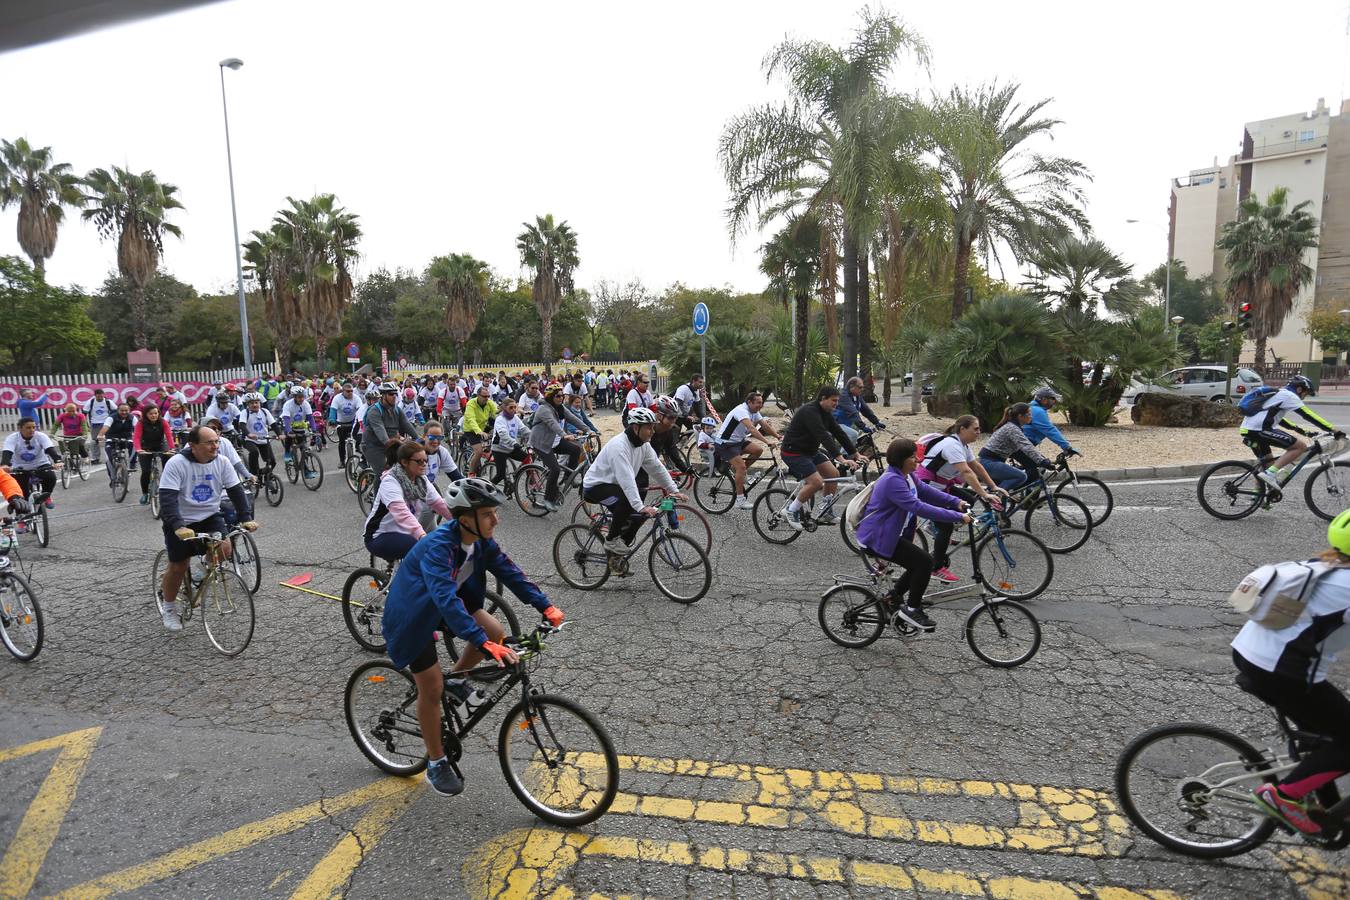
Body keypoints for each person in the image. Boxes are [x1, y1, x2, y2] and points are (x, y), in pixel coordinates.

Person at [380, 478, 563, 796]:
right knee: (432, 689)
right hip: (412, 616)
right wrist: (480, 642)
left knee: (494, 630)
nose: (497, 519)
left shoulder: (480, 541)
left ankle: (457, 677)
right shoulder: (438, 547)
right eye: (489, 513)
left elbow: (511, 572)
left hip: (441, 604)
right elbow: (445, 599)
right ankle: (436, 763)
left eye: (495, 512)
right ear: (467, 519)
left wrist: (546, 606)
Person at [1236, 509, 1350, 835]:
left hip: (1252, 653)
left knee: (1329, 734)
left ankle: (1324, 811)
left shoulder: (1328, 564)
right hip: (1281, 671)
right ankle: (1284, 797)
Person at [856, 438, 972, 631]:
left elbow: (926, 491)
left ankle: (893, 598)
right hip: (878, 538)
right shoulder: (892, 481)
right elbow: (919, 507)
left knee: (917, 564)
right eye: (912, 456)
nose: (917, 460)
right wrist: (957, 516)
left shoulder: (906, 475)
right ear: (901, 459)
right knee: (925, 562)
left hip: (890, 534)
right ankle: (912, 609)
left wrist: (955, 501)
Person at [157, 426, 258, 631]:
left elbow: (236, 491)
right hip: (180, 520)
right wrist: (177, 525)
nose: (215, 446)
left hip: (210, 516)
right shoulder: (177, 463)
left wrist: (245, 518)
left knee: (225, 548)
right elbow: (167, 499)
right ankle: (168, 608)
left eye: (217, 441)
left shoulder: (222, 462)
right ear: (193, 446)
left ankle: (198, 575)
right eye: (209, 442)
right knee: (177, 567)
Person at [582, 408, 684, 559]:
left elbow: (657, 467)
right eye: (648, 427)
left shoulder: (643, 444)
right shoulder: (619, 446)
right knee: (630, 502)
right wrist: (640, 506)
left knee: (639, 516)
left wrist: (673, 490)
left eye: (652, 427)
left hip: (614, 485)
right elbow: (627, 479)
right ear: (636, 427)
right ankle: (611, 541)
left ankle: (616, 557)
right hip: (595, 486)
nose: (652, 431)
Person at [916, 415, 1005, 584]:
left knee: (969, 500)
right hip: (929, 487)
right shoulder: (952, 445)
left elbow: (976, 466)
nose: (979, 432)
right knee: (946, 527)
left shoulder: (962, 444)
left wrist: (993, 487)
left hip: (942, 485)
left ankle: (934, 523)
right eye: (976, 429)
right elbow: (966, 472)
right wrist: (985, 494)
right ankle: (936, 568)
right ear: (962, 429)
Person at [1241, 375, 1343, 493]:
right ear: (1299, 389)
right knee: (1300, 447)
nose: (1304, 397)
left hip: (1249, 430)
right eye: (1306, 393)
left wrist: (1301, 431)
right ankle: (1270, 474)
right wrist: (1333, 429)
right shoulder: (1290, 396)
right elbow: (1308, 415)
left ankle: (1257, 497)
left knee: (1268, 463)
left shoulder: (1280, 394)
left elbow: (1279, 419)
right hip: (1259, 430)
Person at [364, 441, 454, 563]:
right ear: (404, 462)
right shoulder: (390, 481)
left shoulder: (421, 480)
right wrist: (422, 535)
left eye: (425, 460)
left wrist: (461, 522)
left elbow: (439, 504)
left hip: (405, 532)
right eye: (419, 461)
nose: (424, 465)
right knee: (422, 550)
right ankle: (404, 581)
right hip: (380, 535)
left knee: (440, 545)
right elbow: (402, 514)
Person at [779, 386, 856, 529]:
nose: (836, 404)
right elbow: (823, 435)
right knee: (816, 482)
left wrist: (855, 453)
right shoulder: (810, 411)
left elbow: (838, 432)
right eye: (834, 400)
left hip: (810, 451)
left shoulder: (825, 412)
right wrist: (840, 458)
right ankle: (791, 509)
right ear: (823, 399)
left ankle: (826, 511)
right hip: (793, 452)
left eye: (837, 401)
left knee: (833, 474)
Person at [715, 391, 781, 510]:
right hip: (726, 444)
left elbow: (764, 425)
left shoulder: (754, 411)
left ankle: (740, 474)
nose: (761, 405)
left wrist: (778, 436)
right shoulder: (741, 411)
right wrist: (767, 442)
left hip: (738, 442)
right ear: (749, 402)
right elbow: (752, 429)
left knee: (758, 450)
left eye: (762, 403)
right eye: (758, 403)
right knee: (741, 467)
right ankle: (740, 500)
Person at [529, 384, 590, 513]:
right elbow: (553, 424)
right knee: (555, 469)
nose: (561, 398)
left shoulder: (560, 407)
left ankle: (568, 478)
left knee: (575, 450)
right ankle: (548, 499)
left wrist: (589, 430)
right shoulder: (544, 409)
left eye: (562, 396)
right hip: (542, 443)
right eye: (558, 396)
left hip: (554, 442)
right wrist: (564, 435)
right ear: (551, 397)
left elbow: (573, 418)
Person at [978, 403, 1054, 493]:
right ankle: (997, 497)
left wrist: (1040, 459)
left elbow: (1023, 448)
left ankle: (996, 499)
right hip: (989, 462)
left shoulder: (1014, 427)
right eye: (1029, 414)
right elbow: (1026, 446)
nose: (1031, 416)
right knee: (1021, 476)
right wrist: (1042, 461)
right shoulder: (1012, 429)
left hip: (992, 461)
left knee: (1010, 481)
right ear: (1020, 416)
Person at [1, 418, 60, 507]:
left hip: (40, 464)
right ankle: (23, 517)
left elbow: (49, 449)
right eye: (28, 428)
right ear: (20, 428)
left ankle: (46, 496)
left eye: (34, 427)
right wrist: (4, 465)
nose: (32, 430)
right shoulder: (12, 438)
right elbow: (7, 452)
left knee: (51, 477)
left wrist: (58, 461)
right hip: (19, 467)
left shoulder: (41, 436)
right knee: (20, 492)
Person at [363, 383, 418, 475]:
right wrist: (391, 443)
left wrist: (418, 438)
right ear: (383, 396)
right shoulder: (374, 411)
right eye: (390, 394)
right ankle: (378, 489)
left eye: (395, 394)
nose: (394, 396)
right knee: (384, 474)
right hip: (373, 446)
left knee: (406, 466)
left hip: (391, 445)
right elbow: (380, 430)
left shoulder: (397, 410)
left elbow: (406, 424)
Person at [133, 404, 176, 505]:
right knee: (146, 471)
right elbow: (137, 437)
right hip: (145, 447)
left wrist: (172, 448)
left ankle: (168, 488)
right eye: (151, 414)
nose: (154, 415)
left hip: (160, 445)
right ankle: (145, 493)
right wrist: (139, 449)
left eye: (156, 413)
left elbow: (169, 435)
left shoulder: (163, 422)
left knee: (168, 464)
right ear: (146, 414)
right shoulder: (141, 423)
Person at [1023, 387, 1078, 456]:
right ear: (1044, 400)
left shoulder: (1033, 408)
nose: (1055, 402)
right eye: (1053, 399)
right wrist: (1067, 447)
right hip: (1021, 446)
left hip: (1023, 445)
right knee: (1043, 464)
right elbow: (1050, 430)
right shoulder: (1037, 411)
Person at [490, 398, 530, 488]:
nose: (513, 410)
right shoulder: (500, 419)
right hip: (499, 449)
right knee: (501, 475)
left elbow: (523, 429)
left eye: (515, 407)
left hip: (511, 447)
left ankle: (527, 478)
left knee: (527, 458)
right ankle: (486, 489)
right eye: (511, 408)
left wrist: (534, 437)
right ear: (504, 408)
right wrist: (514, 443)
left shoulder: (515, 418)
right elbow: (503, 434)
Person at [835, 376, 884, 444]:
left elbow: (866, 410)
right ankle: (846, 454)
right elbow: (853, 413)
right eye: (860, 387)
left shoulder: (857, 396)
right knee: (853, 434)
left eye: (863, 387)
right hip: (836, 423)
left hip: (847, 424)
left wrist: (876, 422)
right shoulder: (844, 396)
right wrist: (863, 426)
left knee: (861, 436)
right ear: (852, 386)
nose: (862, 389)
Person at [98, 402, 137, 482]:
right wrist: (100, 435)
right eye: (122, 410)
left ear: (129, 410)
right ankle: (112, 478)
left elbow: (137, 428)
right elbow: (106, 427)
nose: (124, 412)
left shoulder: (132, 418)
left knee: (134, 446)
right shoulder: (111, 418)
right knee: (108, 459)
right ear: (118, 410)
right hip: (112, 439)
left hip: (126, 439)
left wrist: (139, 437)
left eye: (126, 410)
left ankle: (132, 464)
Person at [327, 383, 362, 468]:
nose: (350, 393)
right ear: (343, 391)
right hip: (341, 423)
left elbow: (360, 411)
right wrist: (332, 420)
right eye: (348, 391)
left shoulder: (356, 398)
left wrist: (361, 421)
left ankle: (357, 449)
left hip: (353, 422)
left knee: (358, 439)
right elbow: (333, 411)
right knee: (342, 442)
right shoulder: (337, 398)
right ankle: (342, 461)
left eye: (351, 391)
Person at [422, 421, 463, 485]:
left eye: (439, 438)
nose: (435, 441)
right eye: (432, 437)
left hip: (430, 486)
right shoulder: (415, 452)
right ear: (424, 437)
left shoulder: (442, 452)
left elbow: (456, 477)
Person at [84, 387, 115, 458]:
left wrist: (111, 419)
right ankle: (95, 457)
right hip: (95, 424)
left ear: (103, 395)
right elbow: (84, 414)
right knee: (95, 441)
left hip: (107, 424)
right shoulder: (90, 402)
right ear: (95, 395)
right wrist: (86, 425)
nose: (100, 397)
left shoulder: (108, 402)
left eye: (101, 396)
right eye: (98, 396)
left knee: (110, 439)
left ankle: (112, 455)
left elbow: (115, 411)